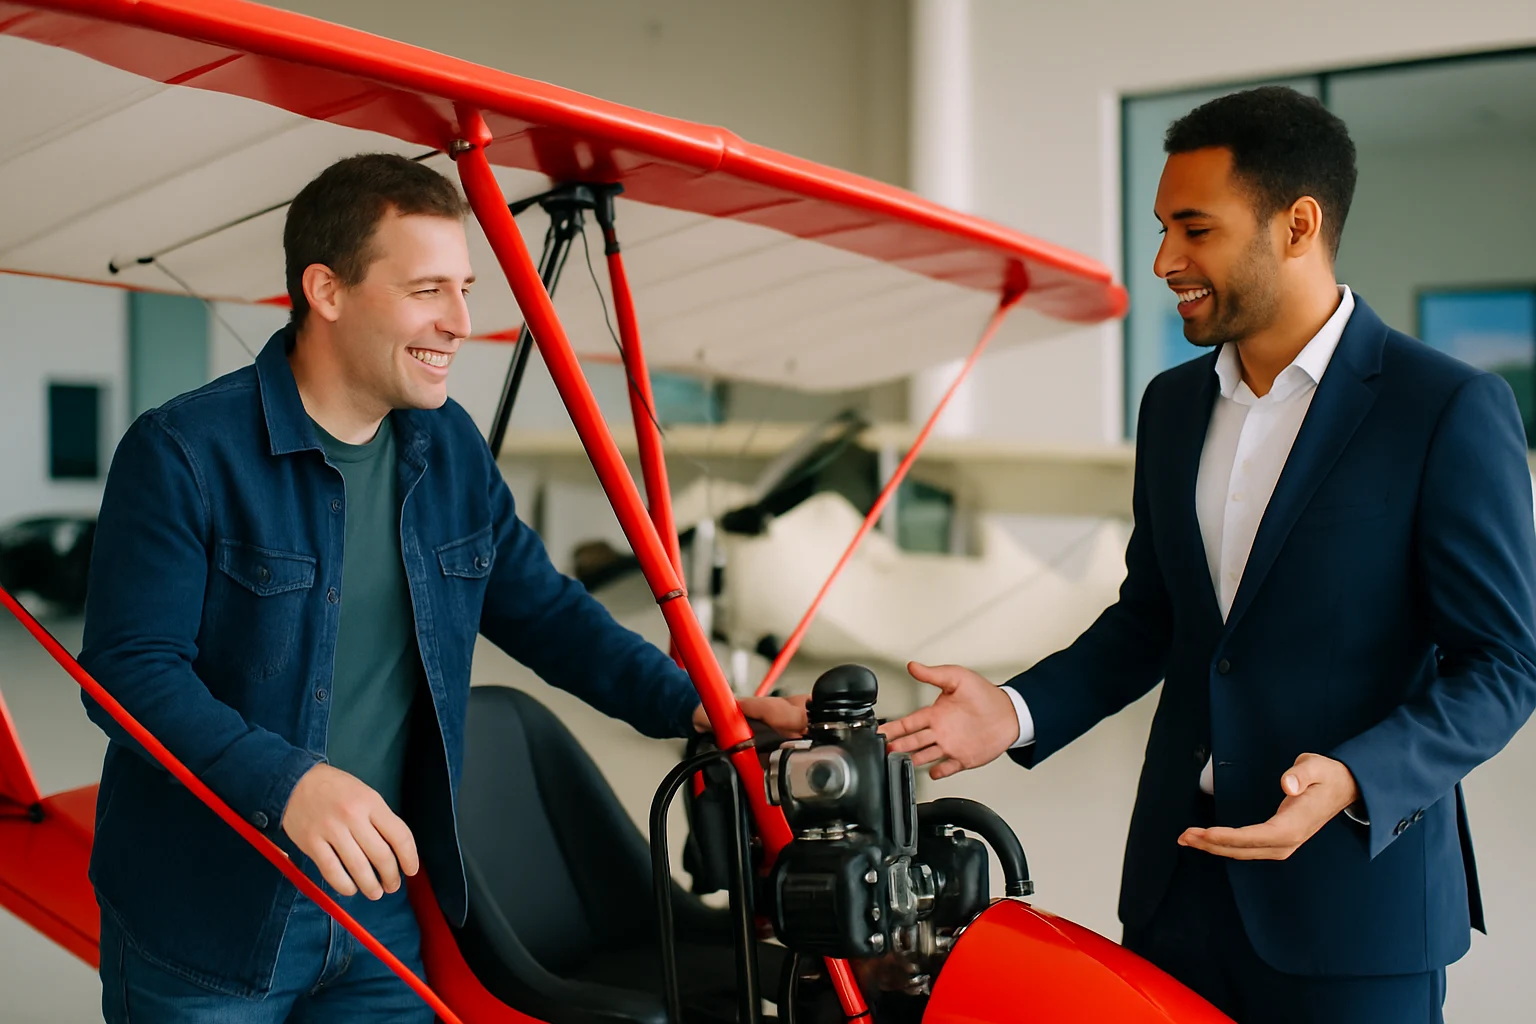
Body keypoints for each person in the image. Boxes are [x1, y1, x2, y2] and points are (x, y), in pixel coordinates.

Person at [79, 152, 807, 1022]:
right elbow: (128, 671)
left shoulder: (447, 443)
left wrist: (696, 705)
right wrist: (291, 784)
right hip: (210, 921)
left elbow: (542, 607)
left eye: (465, 287)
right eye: (429, 289)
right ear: (328, 290)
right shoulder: (183, 451)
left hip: (383, 910)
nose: (462, 321)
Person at [881, 86, 1536, 1023]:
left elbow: (1504, 664)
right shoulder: (1173, 405)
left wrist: (1355, 776)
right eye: (1161, 228)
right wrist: (1016, 712)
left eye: (1196, 229)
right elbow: (1156, 618)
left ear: (1297, 225)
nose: (1163, 261)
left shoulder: (1444, 409)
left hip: (1352, 904)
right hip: (1175, 896)